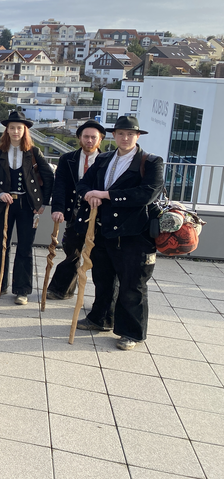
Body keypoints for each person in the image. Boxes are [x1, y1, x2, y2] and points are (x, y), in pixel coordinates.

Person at [75, 116, 163, 350]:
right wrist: (88, 194)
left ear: (138, 136)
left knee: (132, 285)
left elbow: (147, 193)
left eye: (130, 134)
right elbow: (84, 184)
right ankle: (100, 318)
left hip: (135, 234)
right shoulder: (103, 159)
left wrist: (105, 195)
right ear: (114, 135)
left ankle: (132, 332)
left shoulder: (151, 162)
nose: (125, 138)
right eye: (121, 134)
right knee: (103, 279)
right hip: (104, 231)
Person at [0, 111, 54, 305]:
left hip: (27, 206)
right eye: (12, 127)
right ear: (7, 130)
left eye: (19, 128)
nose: (15, 131)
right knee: (2, 246)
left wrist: (42, 203)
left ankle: (22, 290)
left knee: (25, 247)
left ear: (25, 130)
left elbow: (49, 177)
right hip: (4, 206)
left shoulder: (34, 152)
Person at [46, 120, 106, 300]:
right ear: (79, 138)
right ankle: (61, 289)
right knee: (72, 251)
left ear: (100, 140)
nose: (89, 140)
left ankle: (102, 299)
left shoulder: (106, 161)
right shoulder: (68, 159)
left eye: (93, 137)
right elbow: (60, 186)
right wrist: (58, 209)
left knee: (99, 257)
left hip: (98, 216)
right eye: (86, 137)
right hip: (74, 213)